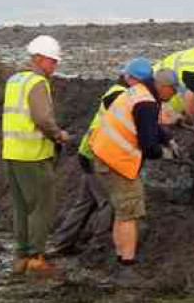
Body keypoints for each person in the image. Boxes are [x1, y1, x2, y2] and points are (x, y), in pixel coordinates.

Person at [52, 60, 149, 255]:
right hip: (98, 154)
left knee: (85, 201)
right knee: (109, 203)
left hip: (88, 152)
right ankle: (98, 246)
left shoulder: (117, 92)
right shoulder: (119, 95)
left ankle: (61, 243)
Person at [89, 66, 183, 265]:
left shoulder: (140, 92)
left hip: (104, 155)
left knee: (122, 212)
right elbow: (148, 145)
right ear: (163, 86)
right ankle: (127, 263)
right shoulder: (147, 103)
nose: (173, 95)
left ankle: (120, 255)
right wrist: (163, 153)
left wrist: (168, 139)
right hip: (118, 161)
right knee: (130, 212)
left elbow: (149, 125)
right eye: (173, 91)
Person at [2, 35, 70, 278]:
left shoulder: (14, 80)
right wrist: (58, 135)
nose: (55, 66)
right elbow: (42, 118)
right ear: (39, 59)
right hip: (34, 155)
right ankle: (36, 258)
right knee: (41, 207)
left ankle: (21, 257)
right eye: (52, 61)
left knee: (21, 208)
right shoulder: (37, 83)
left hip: (12, 153)